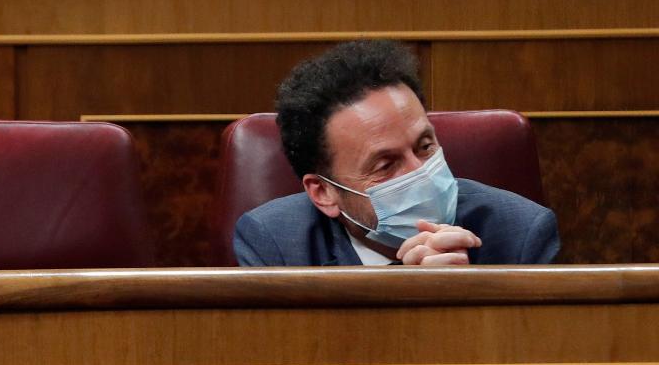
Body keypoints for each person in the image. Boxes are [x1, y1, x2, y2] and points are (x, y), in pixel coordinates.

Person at [233, 40, 559, 267]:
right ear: (323, 192)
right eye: (386, 164)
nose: (419, 171)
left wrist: (461, 298)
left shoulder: (521, 234)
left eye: (425, 146)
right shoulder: (275, 243)